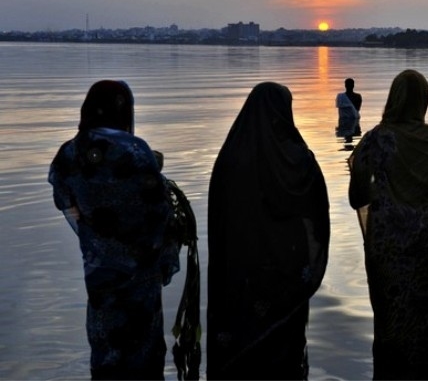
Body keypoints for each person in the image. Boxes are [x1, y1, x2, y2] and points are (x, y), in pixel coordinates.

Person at [48, 80, 180, 380]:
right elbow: (159, 211)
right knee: (142, 347)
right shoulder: (135, 150)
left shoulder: (69, 153)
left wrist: (99, 235)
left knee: (106, 343)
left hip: (99, 272)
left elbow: (64, 201)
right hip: (140, 273)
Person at [348, 69, 428, 380]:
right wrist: (427, 220)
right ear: (422, 101)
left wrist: (386, 200)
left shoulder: (375, 139)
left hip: (387, 253)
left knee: (390, 324)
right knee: (424, 326)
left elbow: (356, 195)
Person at [207, 82, 330, 380]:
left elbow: (220, 218)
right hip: (285, 273)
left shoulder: (230, 156)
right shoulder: (297, 159)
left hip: (239, 272)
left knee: (240, 339)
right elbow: (315, 212)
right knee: (283, 347)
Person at [336, 77, 362, 142]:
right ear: (353, 85)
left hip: (343, 120)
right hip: (354, 119)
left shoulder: (340, 97)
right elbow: (357, 109)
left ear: (345, 85)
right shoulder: (358, 96)